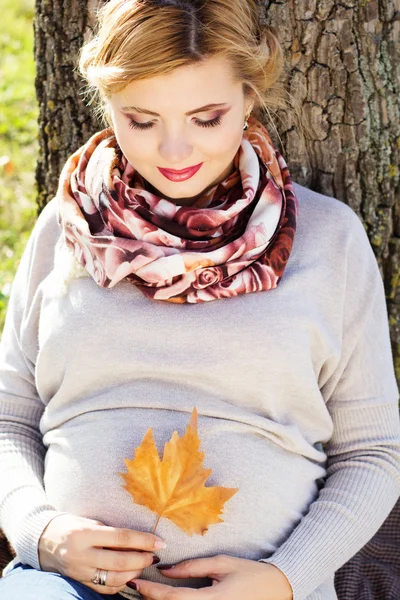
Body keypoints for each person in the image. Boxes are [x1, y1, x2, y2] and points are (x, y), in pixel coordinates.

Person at [0, 0, 399, 599]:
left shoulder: (329, 239)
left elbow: (373, 452)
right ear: (107, 104)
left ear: (248, 96)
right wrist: (42, 533)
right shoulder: (67, 227)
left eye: (207, 117)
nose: (175, 150)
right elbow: (8, 419)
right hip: (67, 588)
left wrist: (285, 579)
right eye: (141, 120)